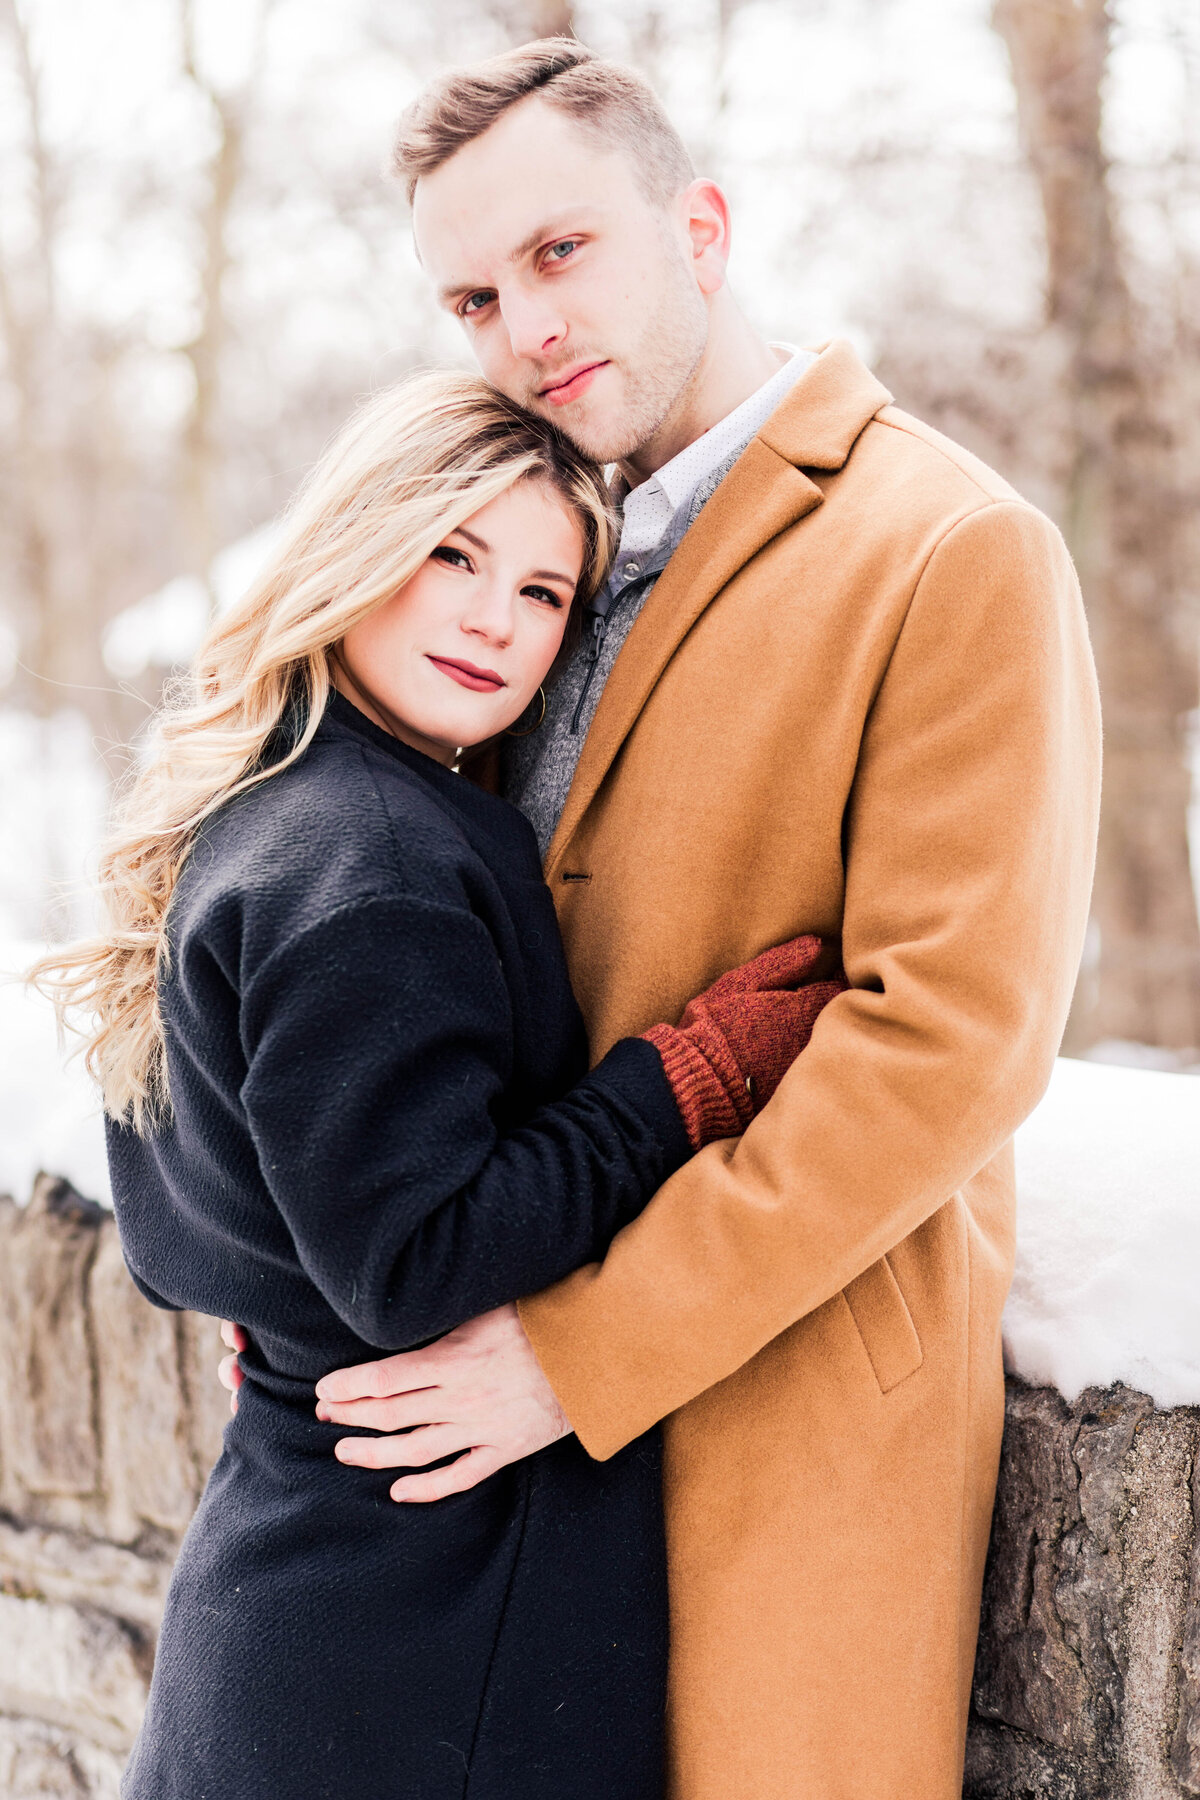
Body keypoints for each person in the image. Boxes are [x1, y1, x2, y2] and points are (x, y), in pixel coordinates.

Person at [288, 38, 1104, 1800]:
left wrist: (578, 1354)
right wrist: (297, 1238)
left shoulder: (951, 548)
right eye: (474, 295)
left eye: (561, 253)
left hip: (778, 1418)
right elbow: (347, 918)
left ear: (704, 226)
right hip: (480, 1440)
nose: (523, 324)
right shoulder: (510, 558)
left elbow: (949, 1044)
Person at [33, 374, 842, 1799]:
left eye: (543, 592)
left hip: (289, 1589)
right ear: (356, 547)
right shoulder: (380, 863)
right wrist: (684, 1080)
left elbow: (185, 1243)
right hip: (428, 1640)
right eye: (453, 555)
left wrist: (294, 1311)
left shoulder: (257, 809)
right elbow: (415, 1262)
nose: (493, 618)